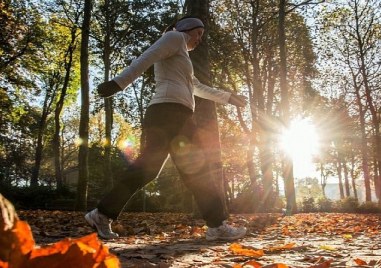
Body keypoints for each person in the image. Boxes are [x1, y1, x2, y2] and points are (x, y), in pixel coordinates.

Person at [85, 16, 247, 241]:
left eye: (202, 35)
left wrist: (228, 97)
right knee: (198, 170)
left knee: (148, 169)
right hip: (171, 113)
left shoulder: (182, 55)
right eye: (198, 33)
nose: (200, 38)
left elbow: (197, 87)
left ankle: (101, 214)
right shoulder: (174, 38)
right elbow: (146, 57)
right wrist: (119, 83)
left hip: (168, 114)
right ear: (185, 29)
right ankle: (216, 225)